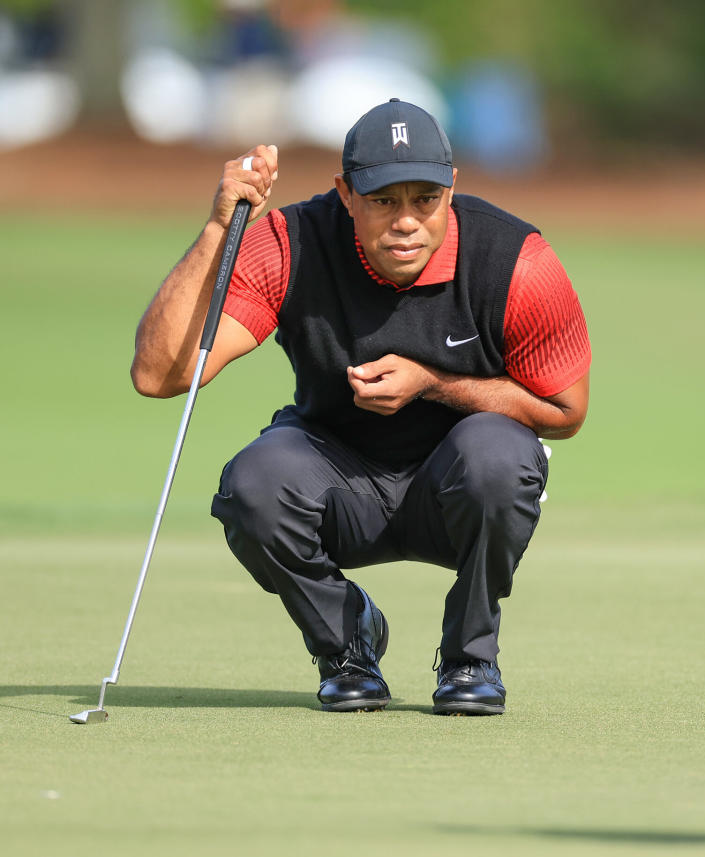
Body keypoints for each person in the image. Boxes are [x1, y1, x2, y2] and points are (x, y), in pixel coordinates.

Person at [130, 99, 591, 716]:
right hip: (336, 480)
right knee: (255, 486)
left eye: (425, 198)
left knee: (499, 457)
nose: (407, 221)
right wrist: (220, 228)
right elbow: (160, 375)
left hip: (458, 489)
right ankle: (348, 642)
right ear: (345, 194)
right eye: (383, 200)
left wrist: (434, 382)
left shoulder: (515, 260)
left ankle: (469, 657)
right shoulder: (291, 242)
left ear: (452, 188)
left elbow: (564, 412)